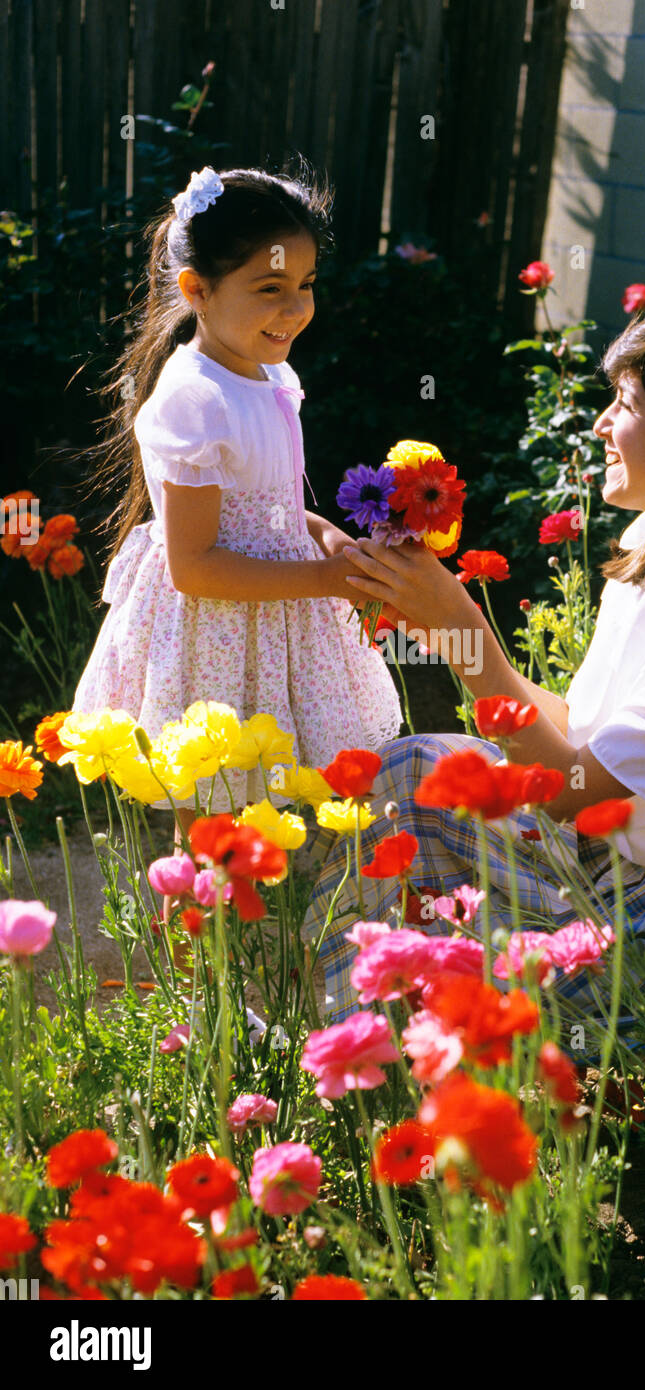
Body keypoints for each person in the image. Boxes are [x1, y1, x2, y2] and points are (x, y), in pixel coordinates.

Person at [300, 301, 645, 1061]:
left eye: (624, 404)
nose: (599, 425)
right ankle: (343, 1032)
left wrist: (462, 631)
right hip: (609, 867)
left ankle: (376, 1049)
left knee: (464, 963)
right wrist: (406, 593)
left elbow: (563, 789)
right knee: (418, 774)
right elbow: (581, 737)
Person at [70, 164, 402, 918]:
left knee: (267, 824)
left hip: (279, 618)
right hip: (211, 631)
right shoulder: (194, 399)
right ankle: (195, 1004)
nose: (295, 309)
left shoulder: (269, 376)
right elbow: (194, 566)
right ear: (196, 291)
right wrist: (325, 583)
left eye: (307, 284)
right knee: (210, 830)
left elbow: (275, 507)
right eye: (269, 289)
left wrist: (327, 541)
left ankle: (252, 978)